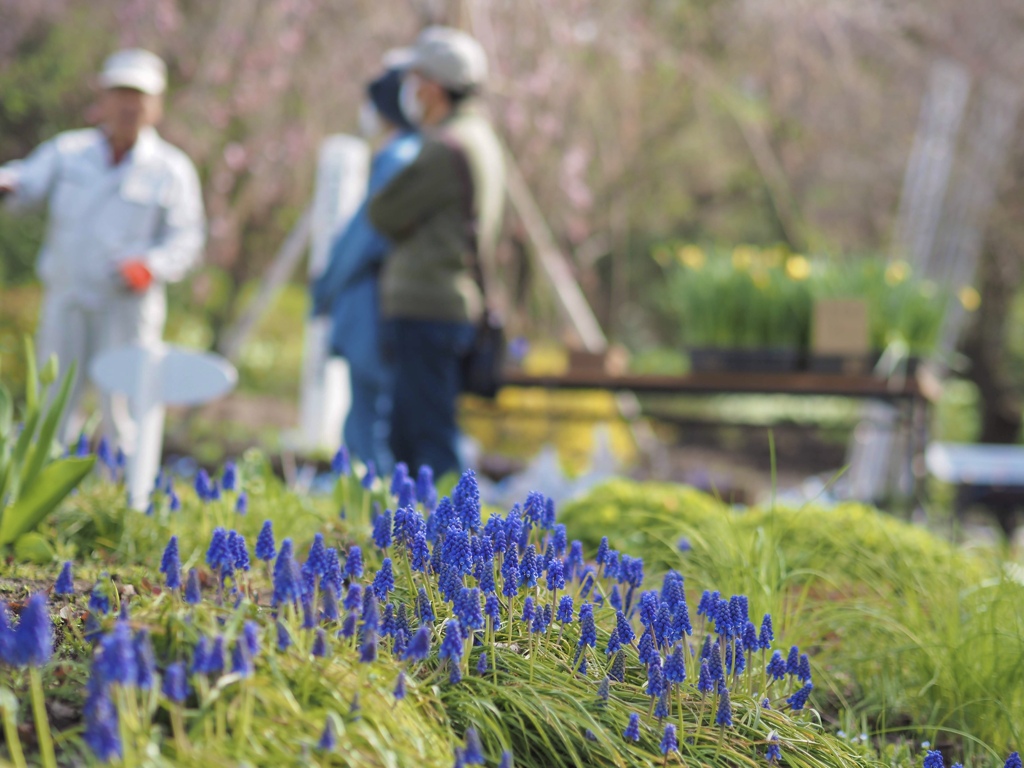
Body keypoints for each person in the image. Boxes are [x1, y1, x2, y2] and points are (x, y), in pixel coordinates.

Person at [0, 49, 205, 450]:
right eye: (121, 93)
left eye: (139, 96)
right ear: (103, 100)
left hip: (126, 308)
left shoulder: (170, 169)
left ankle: (123, 503)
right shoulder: (68, 152)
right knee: (54, 402)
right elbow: (25, 182)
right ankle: (48, 502)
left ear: (156, 106)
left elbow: (188, 239)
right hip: (68, 297)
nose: (129, 105)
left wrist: (151, 266)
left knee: (123, 409)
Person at [369, 27, 506, 478]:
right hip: (450, 303)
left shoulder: (444, 146)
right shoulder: (480, 137)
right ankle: (430, 538)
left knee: (423, 437)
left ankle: (446, 541)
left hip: (427, 305)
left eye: (416, 78)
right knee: (425, 429)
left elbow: (384, 211)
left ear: (432, 85)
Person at [311, 61, 422, 472]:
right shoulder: (415, 149)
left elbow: (363, 238)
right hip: (389, 302)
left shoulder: (396, 155)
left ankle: (373, 518)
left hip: (373, 301)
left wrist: (323, 288)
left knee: (369, 421)